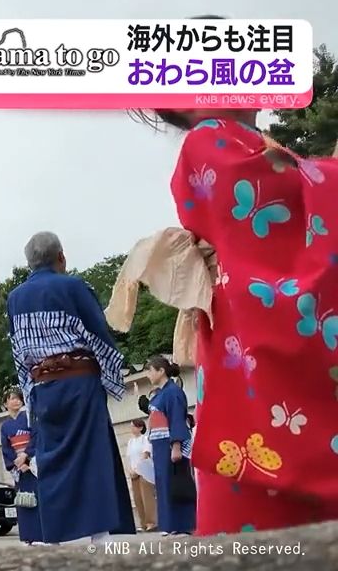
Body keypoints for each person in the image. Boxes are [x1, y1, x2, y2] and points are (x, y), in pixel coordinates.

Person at [134, 101, 338, 534]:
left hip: (243, 320)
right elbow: (275, 201)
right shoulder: (210, 139)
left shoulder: (234, 142)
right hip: (247, 323)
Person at [7, 231, 135, 544]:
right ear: (61, 257)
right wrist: (112, 378)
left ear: (29, 263)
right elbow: (98, 334)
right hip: (79, 379)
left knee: (51, 458)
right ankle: (98, 536)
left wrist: (30, 389)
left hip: (42, 386)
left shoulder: (15, 298)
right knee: (92, 454)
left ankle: (55, 535)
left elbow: (17, 349)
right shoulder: (73, 286)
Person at [145, 356, 196, 535]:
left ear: (161, 371)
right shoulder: (160, 393)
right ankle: (169, 524)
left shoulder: (173, 392)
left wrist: (176, 445)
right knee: (163, 484)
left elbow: (176, 419)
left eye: (150, 370)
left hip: (169, 445)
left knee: (175, 483)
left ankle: (183, 523)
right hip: (159, 446)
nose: (148, 374)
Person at [0, 389, 43, 544]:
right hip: (18, 466)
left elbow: (36, 436)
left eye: (18, 398)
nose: (16, 401)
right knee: (23, 501)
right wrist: (16, 463)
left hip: (32, 463)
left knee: (37, 499)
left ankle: (40, 536)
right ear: (5, 404)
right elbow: (6, 448)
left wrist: (27, 457)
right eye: (12, 399)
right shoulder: (5, 426)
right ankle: (27, 537)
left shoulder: (29, 417)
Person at [126, 418, 157, 532]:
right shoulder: (130, 442)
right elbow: (129, 457)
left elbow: (145, 454)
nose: (131, 428)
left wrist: (138, 468)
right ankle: (143, 523)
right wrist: (130, 469)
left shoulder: (145, 439)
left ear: (140, 428)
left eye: (133, 426)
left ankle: (151, 522)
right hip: (134, 473)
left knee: (147, 497)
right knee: (137, 498)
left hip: (143, 471)